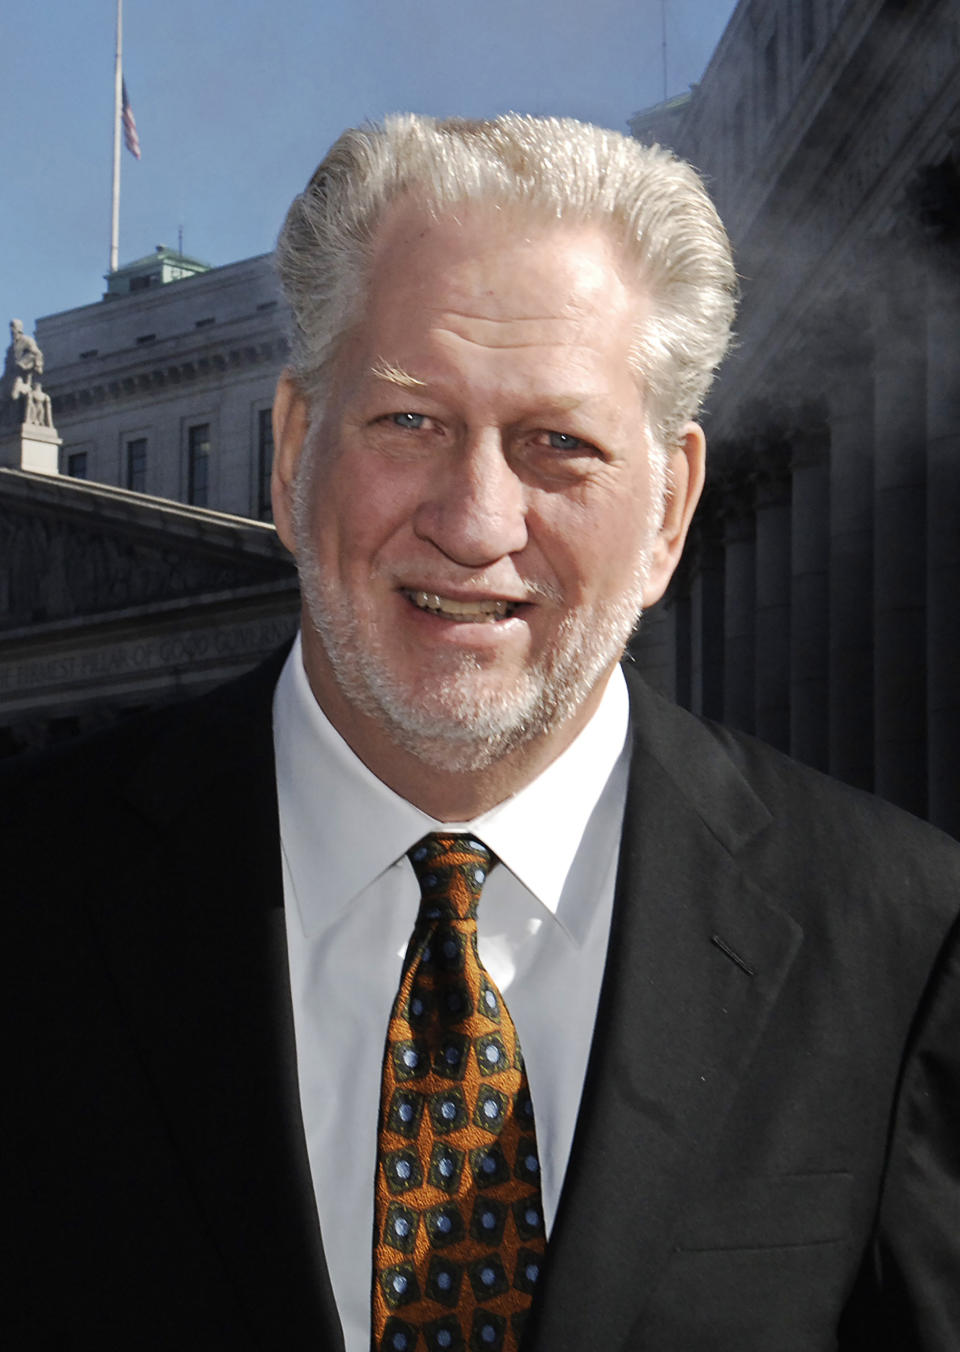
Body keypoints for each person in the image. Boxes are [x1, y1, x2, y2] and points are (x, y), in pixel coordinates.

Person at [7, 114, 959, 1351]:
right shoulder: (27, 890)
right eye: (411, 422)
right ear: (294, 448)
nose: (476, 518)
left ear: (670, 507)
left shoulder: (897, 942)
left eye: (558, 443)